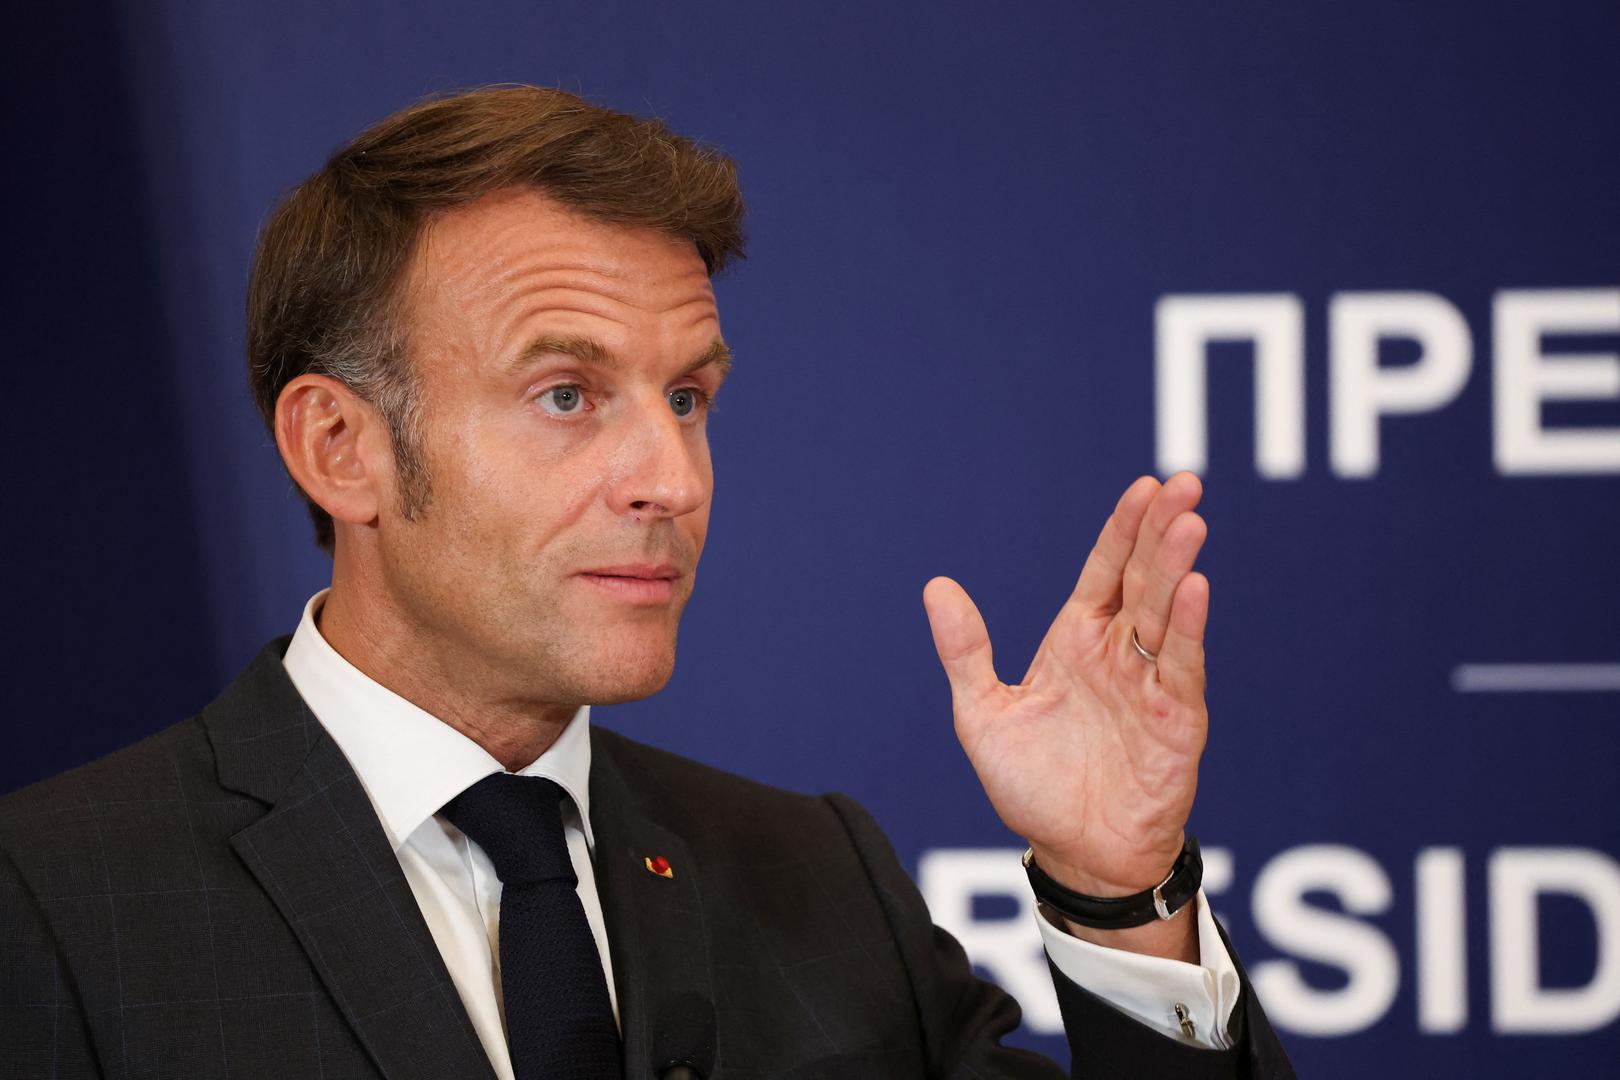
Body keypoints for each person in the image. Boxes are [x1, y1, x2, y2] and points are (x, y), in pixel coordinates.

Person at [0, 86, 1293, 1079]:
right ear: (341, 448)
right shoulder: (50, 901)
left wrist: (1118, 893)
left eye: (687, 397)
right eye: (566, 395)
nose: (671, 478)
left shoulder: (817, 879)